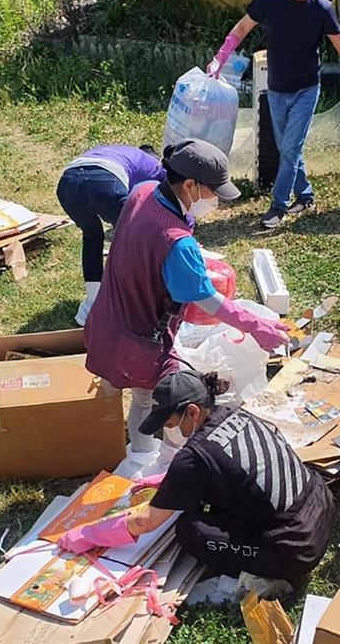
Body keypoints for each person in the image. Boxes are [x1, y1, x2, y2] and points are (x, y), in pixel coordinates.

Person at [84, 138, 290, 464]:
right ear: (190, 185)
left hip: (108, 319)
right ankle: (159, 462)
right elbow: (208, 301)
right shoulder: (176, 243)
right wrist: (257, 326)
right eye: (212, 192)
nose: (216, 202)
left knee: (142, 395)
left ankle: (140, 457)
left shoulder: (144, 192)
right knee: (173, 398)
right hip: (140, 340)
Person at [58, 370, 334, 588]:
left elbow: (146, 522)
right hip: (320, 508)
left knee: (191, 529)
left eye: (170, 423)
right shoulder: (237, 413)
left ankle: (264, 569)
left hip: (294, 550)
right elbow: (229, 463)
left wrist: (85, 534)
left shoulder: (193, 458)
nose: (169, 430)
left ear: (192, 411)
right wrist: (167, 480)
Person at [208, 0, 340, 230]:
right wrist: (219, 59)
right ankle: (306, 194)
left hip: (306, 89)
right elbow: (241, 29)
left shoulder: (321, 8)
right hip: (276, 89)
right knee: (290, 149)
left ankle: (278, 205)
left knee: (289, 147)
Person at [57, 143, 165, 325]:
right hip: (104, 182)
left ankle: (92, 303)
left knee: (92, 237)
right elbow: (172, 197)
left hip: (67, 184)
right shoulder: (156, 167)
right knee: (133, 240)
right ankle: (129, 303)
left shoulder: (117, 150)